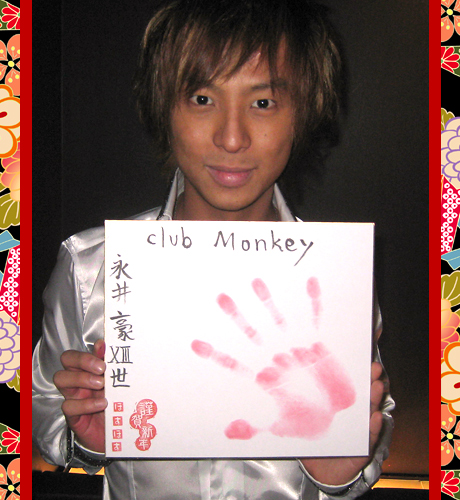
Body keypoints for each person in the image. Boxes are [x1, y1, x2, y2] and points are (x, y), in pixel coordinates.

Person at [32, 0, 394, 498]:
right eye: (202, 98)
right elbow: (45, 414)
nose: (232, 137)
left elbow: (372, 427)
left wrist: (339, 470)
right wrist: (90, 441)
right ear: (164, 107)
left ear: (303, 114)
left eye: (263, 103)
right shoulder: (90, 269)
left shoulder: (333, 279)